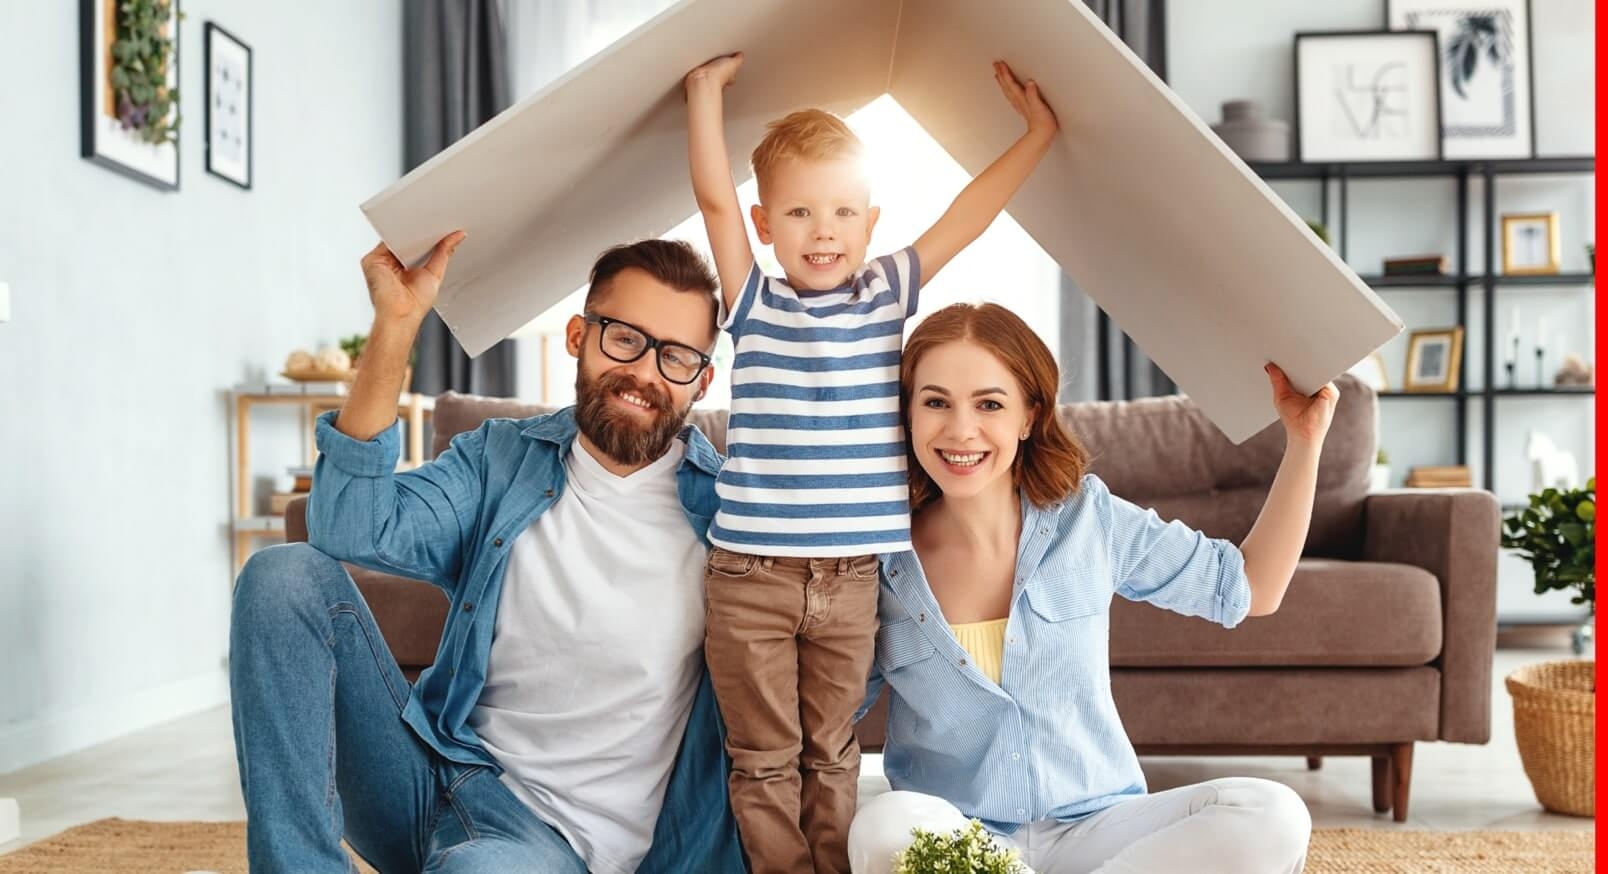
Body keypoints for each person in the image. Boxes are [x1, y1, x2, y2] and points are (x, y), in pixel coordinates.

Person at [229, 232, 746, 873]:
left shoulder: (730, 514)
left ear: (702, 380)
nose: (644, 372)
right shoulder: (502, 459)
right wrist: (396, 325)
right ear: (579, 336)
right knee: (283, 577)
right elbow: (345, 526)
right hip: (426, 777)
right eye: (625, 338)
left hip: (544, 843)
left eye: (676, 357)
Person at [682, 52, 1060, 874]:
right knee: (763, 756)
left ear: (871, 221)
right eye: (801, 212)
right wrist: (704, 95)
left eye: (844, 211)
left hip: (855, 580)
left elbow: (969, 215)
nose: (824, 231)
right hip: (751, 578)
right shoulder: (754, 299)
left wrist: (1036, 135)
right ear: (764, 224)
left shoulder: (885, 293)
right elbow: (710, 195)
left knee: (835, 752)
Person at [848, 303, 1332, 874]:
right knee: (883, 824)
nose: (960, 430)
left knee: (1271, 812)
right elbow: (829, 716)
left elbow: (1249, 586)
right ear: (906, 414)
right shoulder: (874, 559)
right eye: (935, 402)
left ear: (1029, 415)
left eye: (989, 404)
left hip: (1100, 831)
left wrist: (1304, 442)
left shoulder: (1088, 519)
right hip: (964, 840)